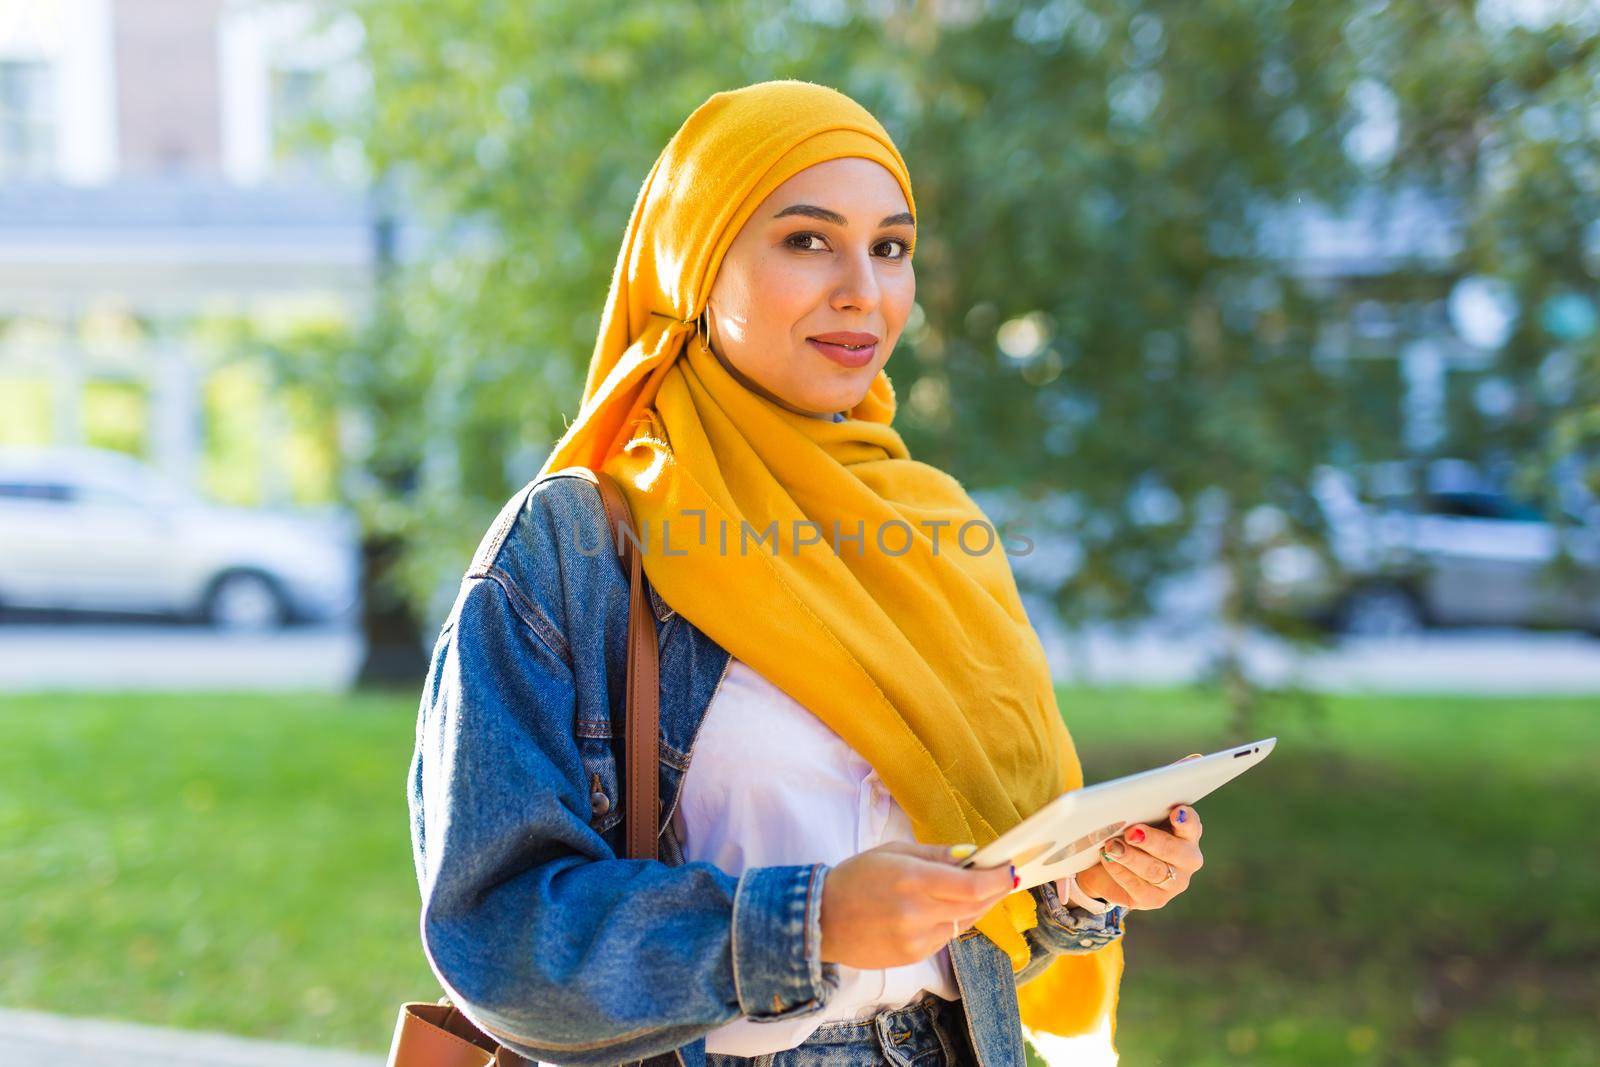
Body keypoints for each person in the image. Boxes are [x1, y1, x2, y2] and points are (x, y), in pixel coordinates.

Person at [409, 79, 1207, 1067]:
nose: (862, 291)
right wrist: (811, 920)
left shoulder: (933, 522)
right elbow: (497, 934)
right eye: (806, 239)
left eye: (890, 247)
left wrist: (1081, 884)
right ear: (696, 264)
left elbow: (984, 925)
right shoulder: (579, 544)